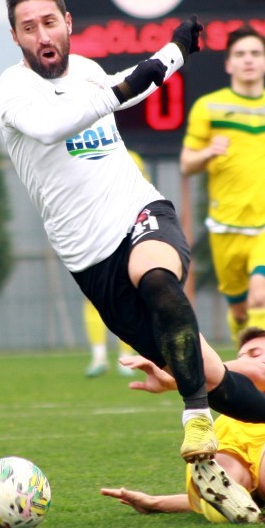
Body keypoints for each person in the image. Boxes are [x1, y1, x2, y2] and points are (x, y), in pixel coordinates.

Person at [0, 0, 265, 512]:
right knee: (215, 377)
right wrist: (163, 58)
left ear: (67, 23)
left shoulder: (88, 71)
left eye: (50, 22)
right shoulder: (13, 89)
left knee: (159, 279)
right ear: (16, 37)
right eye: (29, 28)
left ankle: (196, 420)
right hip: (89, 259)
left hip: (139, 213)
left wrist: (176, 53)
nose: (41, 34)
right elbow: (56, 125)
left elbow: (121, 85)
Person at [101, 327, 265, 523]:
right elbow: (215, 494)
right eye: (240, 356)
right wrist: (156, 503)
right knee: (221, 497)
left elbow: (258, 373)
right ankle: (258, 502)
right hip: (226, 446)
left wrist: (180, 376)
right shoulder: (232, 402)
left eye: (254, 353)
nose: (244, 359)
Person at [180, 25, 265, 344]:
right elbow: (186, 163)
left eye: (255, 54)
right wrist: (208, 152)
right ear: (228, 64)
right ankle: (246, 364)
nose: (248, 60)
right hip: (226, 225)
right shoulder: (209, 107)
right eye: (240, 54)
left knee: (261, 297)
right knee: (239, 311)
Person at [85, 151, 150, 378]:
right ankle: (101, 357)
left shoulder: (130, 157)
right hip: (101, 233)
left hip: (123, 232)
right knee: (98, 295)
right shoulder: (83, 152)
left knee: (124, 294)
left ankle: (121, 357)